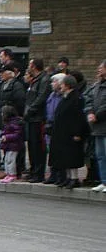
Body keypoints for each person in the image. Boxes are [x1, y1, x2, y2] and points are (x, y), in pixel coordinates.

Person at [50, 75, 89, 189]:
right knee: (65, 157)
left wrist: (77, 133)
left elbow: (78, 117)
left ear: (67, 85)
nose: (60, 86)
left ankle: (74, 178)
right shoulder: (65, 97)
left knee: (72, 157)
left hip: (72, 133)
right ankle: (68, 177)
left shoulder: (76, 98)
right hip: (63, 132)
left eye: (62, 84)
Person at [24, 59, 50, 182]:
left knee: (38, 146)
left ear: (34, 66)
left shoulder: (44, 79)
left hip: (38, 118)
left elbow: (41, 97)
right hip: (30, 118)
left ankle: (38, 173)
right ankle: (33, 170)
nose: (28, 66)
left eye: (30, 64)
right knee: (31, 146)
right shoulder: (34, 80)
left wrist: (30, 110)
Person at [85, 59, 106, 192]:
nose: (99, 70)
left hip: (103, 123)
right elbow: (88, 100)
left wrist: (97, 115)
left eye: (101, 68)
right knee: (100, 156)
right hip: (97, 128)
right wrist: (90, 112)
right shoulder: (96, 86)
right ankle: (104, 181)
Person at [0, 105, 24, 183]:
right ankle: (8, 174)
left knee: (11, 160)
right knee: (6, 159)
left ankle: (12, 174)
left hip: (13, 145)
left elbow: (17, 134)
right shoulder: (8, 122)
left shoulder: (14, 122)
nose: (1, 114)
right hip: (8, 145)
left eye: (2, 113)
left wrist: (6, 137)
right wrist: (2, 135)